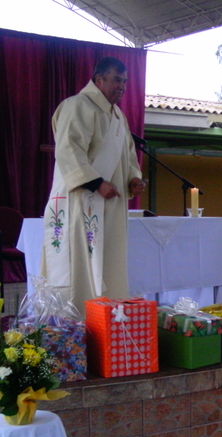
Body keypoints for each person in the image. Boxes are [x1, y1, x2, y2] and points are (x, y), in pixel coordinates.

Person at [41, 57, 145, 314]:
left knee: (108, 261)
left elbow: (128, 156)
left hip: (109, 205)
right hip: (81, 200)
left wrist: (133, 178)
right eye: (116, 80)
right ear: (99, 80)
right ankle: (76, 318)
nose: (122, 86)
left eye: (125, 81)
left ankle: (107, 318)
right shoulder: (77, 106)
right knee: (79, 263)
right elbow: (68, 150)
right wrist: (97, 183)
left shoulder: (119, 116)